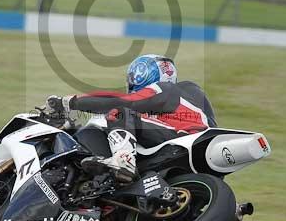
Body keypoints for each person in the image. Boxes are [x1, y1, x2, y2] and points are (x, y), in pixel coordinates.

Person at [46, 54, 216, 184]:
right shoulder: (189, 97)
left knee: (120, 112)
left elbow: (122, 101)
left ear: (143, 76)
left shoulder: (165, 89)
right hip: (203, 155)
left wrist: (71, 102)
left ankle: (124, 159)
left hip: (181, 141)